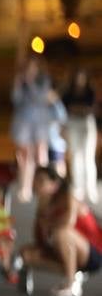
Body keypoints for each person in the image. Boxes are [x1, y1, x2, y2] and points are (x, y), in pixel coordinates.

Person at [22, 167, 102, 296]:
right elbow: (40, 241)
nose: (35, 185)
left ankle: (71, 284)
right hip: (66, 251)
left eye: (41, 181)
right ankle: (75, 273)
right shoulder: (43, 205)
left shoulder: (69, 198)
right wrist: (41, 216)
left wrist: (47, 220)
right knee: (27, 254)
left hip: (92, 253)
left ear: (55, 185)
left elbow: (66, 225)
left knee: (61, 233)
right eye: (35, 181)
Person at [11, 56, 59, 202]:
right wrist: (17, 84)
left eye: (33, 67)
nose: (30, 70)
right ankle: (25, 188)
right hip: (24, 124)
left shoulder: (43, 80)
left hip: (40, 124)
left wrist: (30, 83)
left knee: (40, 156)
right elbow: (15, 99)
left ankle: (43, 186)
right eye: (27, 67)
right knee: (25, 157)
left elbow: (41, 98)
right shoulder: (20, 81)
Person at [60, 67, 97, 206]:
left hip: (86, 123)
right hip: (72, 123)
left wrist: (78, 109)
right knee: (76, 156)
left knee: (88, 156)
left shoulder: (90, 92)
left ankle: (90, 189)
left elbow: (90, 108)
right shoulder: (68, 92)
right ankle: (78, 188)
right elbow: (65, 108)